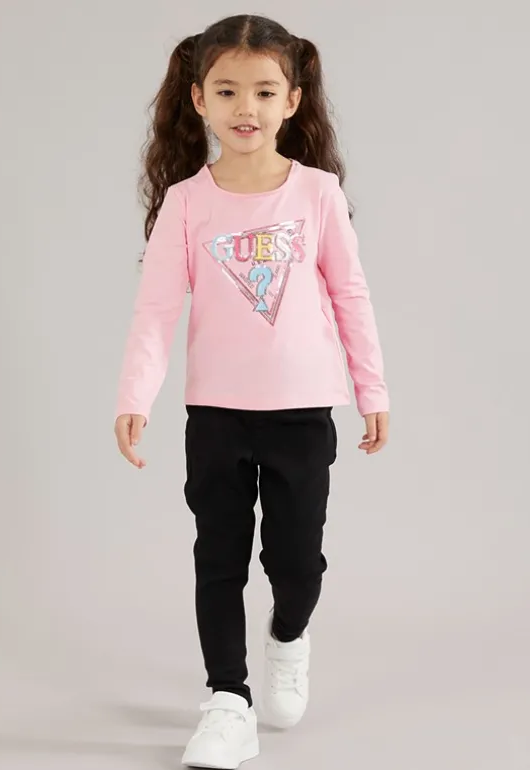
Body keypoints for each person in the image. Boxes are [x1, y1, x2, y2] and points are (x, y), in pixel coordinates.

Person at [114, 13, 390, 769]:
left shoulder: (318, 194)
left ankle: (288, 637)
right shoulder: (187, 202)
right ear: (198, 99)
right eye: (228, 90)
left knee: (297, 564)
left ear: (293, 100)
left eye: (265, 91)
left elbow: (351, 295)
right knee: (219, 559)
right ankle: (226, 702)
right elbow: (156, 309)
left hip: (302, 412)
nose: (247, 107)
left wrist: (371, 388)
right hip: (216, 415)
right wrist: (135, 394)